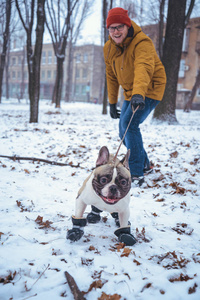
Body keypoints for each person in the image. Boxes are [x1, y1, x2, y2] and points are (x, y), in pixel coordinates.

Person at [86, 7, 166, 224]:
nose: (115, 31)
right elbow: (111, 76)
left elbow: (144, 69)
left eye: (119, 27)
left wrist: (140, 94)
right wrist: (112, 101)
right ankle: (145, 163)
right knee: (123, 127)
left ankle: (137, 171)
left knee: (129, 126)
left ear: (127, 25)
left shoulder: (143, 43)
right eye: (111, 28)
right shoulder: (108, 48)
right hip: (132, 92)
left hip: (150, 88)